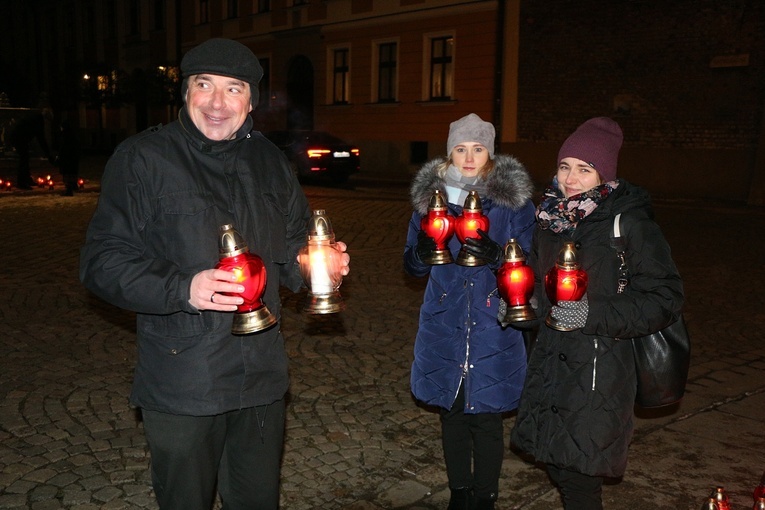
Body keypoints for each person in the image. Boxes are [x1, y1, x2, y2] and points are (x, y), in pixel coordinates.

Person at [80, 38, 349, 510]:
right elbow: (102, 261)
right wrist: (183, 287)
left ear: (251, 100)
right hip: (185, 378)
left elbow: (291, 247)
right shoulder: (143, 158)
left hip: (261, 377)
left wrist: (314, 266)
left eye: (234, 88)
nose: (217, 103)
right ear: (185, 92)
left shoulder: (269, 160)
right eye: (204, 85)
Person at [509, 117, 684, 509]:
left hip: (599, 371)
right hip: (552, 364)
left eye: (584, 169)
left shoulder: (629, 223)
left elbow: (665, 297)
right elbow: (541, 288)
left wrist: (590, 313)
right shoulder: (550, 219)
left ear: (603, 175)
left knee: (578, 476)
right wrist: (520, 301)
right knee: (557, 462)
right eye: (565, 166)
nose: (571, 179)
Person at [403, 113, 536, 510]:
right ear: (449, 153)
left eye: (477, 149)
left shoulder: (512, 204)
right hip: (444, 320)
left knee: (487, 415)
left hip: (493, 323)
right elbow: (411, 264)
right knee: (453, 411)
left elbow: (529, 261)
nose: (468, 157)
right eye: (460, 148)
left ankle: (485, 497)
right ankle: (460, 492)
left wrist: (500, 258)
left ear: (490, 153)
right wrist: (421, 255)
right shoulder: (432, 202)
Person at [8, 108, 54, 189]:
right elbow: (41, 138)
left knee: (26, 157)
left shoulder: (36, 118)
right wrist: (48, 154)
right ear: (46, 118)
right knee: (24, 159)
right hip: (19, 138)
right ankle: (21, 182)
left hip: (19, 137)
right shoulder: (38, 121)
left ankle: (27, 179)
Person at [54, 118, 80, 196]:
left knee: (67, 173)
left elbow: (63, 147)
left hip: (67, 158)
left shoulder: (65, 135)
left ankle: (69, 189)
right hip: (73, 157)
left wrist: (59, 156)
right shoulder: (73, 135)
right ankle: (73, 185)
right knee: (72, 172)